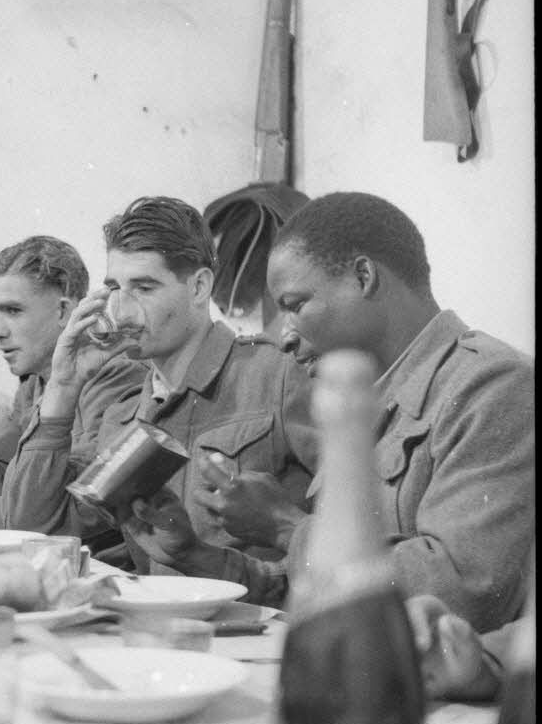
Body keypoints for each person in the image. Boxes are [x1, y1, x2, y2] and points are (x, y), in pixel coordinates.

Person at [134, 192, 535, 633]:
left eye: (294, 304)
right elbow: (326, 587)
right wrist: (195, 555)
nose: (284, 337)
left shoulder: (492, 385)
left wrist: (286, 528)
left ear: (363, 277)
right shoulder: (364, 402)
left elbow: (463, 591)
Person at [0, 197, 317, 567]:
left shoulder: (278, 375)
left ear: (199, 288)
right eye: (114, 288)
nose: (121, 310)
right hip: (158, 623)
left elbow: (361, 525)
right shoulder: (124, 416)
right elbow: (31, 530)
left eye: (144, 288)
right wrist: (62, 387)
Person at [0, 234, 147, 547]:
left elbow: (60, 507)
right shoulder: (33, 385)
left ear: (63, 311)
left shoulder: (113, 375)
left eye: (13, 311)